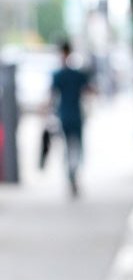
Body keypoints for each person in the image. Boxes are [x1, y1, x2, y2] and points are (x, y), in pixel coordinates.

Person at [49, 41, 91, 197]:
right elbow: (89, 90)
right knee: (77, 148)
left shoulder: (58, 75)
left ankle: (71, 175)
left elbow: (52, 97)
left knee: (68, 148)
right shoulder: (78, 74)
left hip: (65, 115)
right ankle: (73, 175)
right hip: (75, 115)